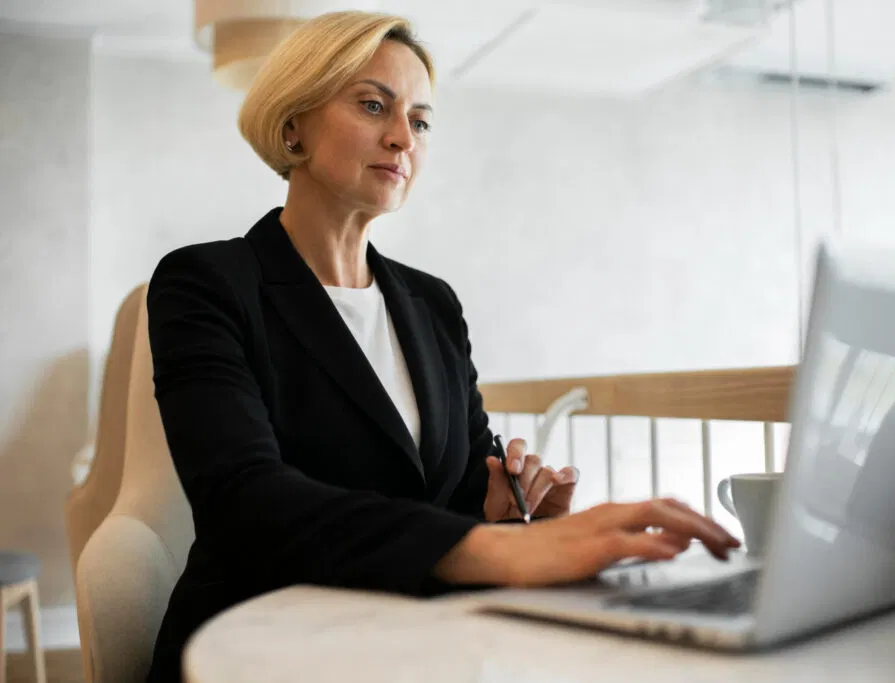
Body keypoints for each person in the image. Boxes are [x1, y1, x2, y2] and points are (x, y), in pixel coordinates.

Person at [145, 11, 739, 682]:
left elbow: (461, 494)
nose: (403, 138)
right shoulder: (207, 283)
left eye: (421, 122)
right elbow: (245, 502)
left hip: (416, 641)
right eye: (374, 106)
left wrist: (516, 515)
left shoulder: (433, 304)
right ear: (293, 127)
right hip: (260, 645)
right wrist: (489, 548)